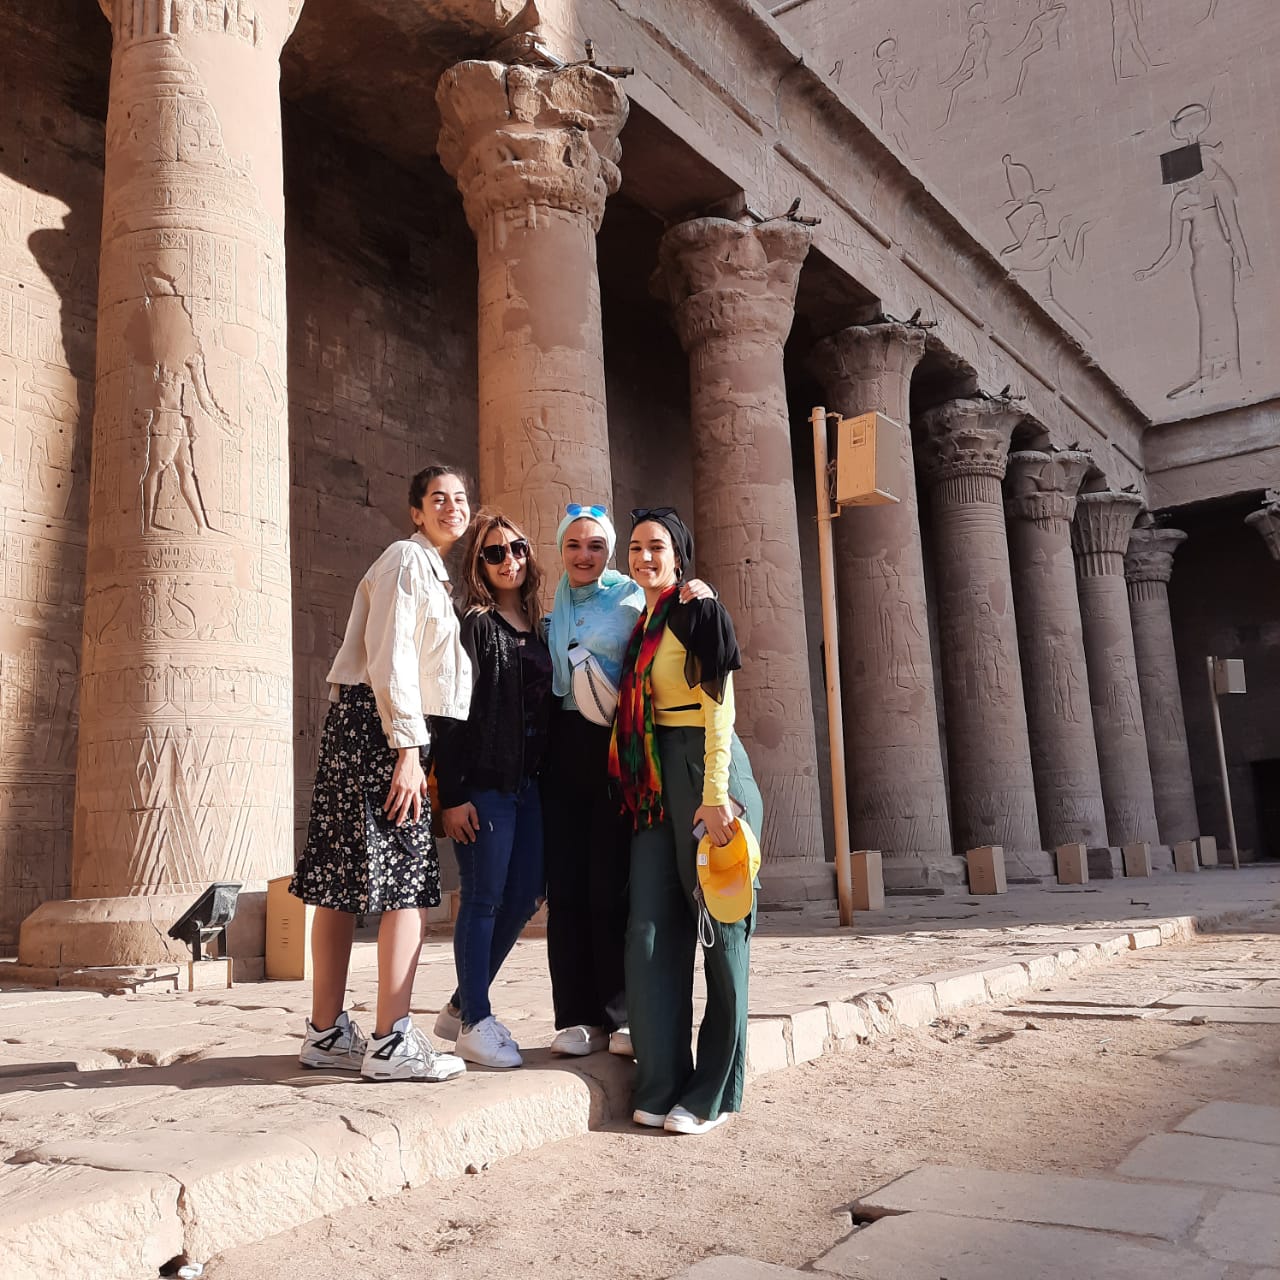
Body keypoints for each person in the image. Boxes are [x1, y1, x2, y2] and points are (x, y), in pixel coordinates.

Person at [291, 466, 473, 1082]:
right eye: (438, 499)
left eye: (460, 498)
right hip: (384, 730)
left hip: (366, 727)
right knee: (408, 881)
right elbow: (391, 655)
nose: (452, 507)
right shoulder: (406, 559)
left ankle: (325, 1034)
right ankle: (392, 1041)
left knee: (341, 880)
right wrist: (408, 752)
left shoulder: (427, 570)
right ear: (416, 512)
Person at [538, 503, 711, 1059]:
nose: (584, 555)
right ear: (561, 550)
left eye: (595, 545)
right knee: (566, 888)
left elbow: (670, 611)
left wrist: (701, 591)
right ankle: (576, 1016)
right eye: (573, 545)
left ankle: (619, 1013)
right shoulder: (555, 607)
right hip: (562, 750)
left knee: (610, 883)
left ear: (609, 551)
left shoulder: (631, 596)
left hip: (617, 747)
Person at [610, 508, 763, 1135]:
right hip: (655, 782)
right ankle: (662, 1082)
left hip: (707, 773)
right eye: (636, 547)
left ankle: (713, 1093)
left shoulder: (698, 610)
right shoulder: (642, 621)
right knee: (648, 930)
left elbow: (720, 708)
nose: (645, 556)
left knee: (722, 929)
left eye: (657, 546)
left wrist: (717, 793)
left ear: (679, 556)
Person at [431, 511, 552, 1069]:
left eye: (517, 548)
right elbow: (451, 713)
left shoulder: (540, 626)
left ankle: (462, 1002)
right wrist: (453, 795)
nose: (509, 561)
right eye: (495, 553)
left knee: (526, 893)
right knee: (482, 897)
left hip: (529, 786)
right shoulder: (475, 625)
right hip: (483, 785)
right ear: (478, 564)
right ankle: (475, 1022)